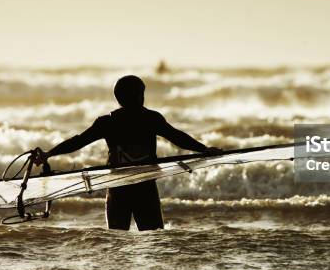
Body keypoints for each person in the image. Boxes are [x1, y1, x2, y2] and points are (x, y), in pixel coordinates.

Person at [34, 75, 222, 231]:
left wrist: (49, 154)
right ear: (138, 95)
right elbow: (177, 137)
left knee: (117, 241)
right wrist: (203, 149)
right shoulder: (150, 119)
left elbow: (78, 141)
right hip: (143, 188)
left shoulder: (108, 122)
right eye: (140, 93)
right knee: (154, 238)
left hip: (118, 188)